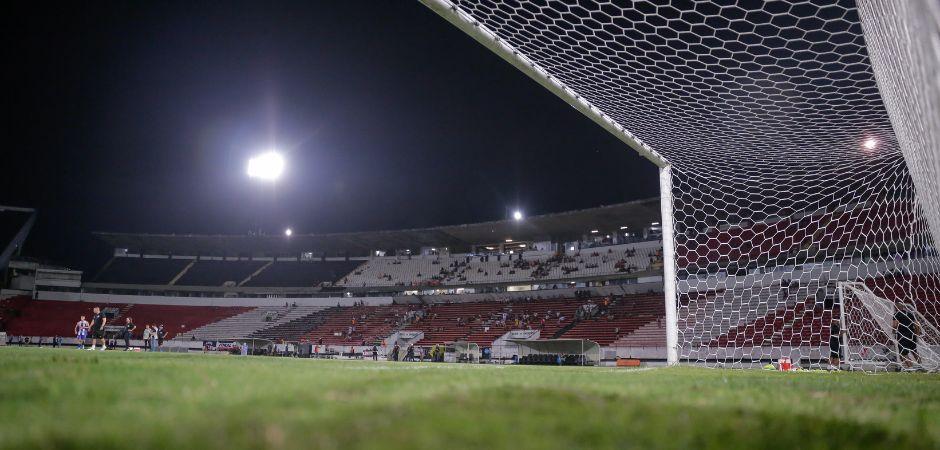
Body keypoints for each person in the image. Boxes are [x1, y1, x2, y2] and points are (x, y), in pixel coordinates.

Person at [894, 303, 921, 369]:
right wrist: (916, 334)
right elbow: (917, 325)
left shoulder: (897, 314)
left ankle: (910, 368)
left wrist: (893, 331)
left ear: (896, 308)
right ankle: (921, 367)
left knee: (903, 353)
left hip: (903, 336)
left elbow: (895, 325)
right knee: (914, 352)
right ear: (903, 307)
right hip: (912, 335)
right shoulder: (910, 314)